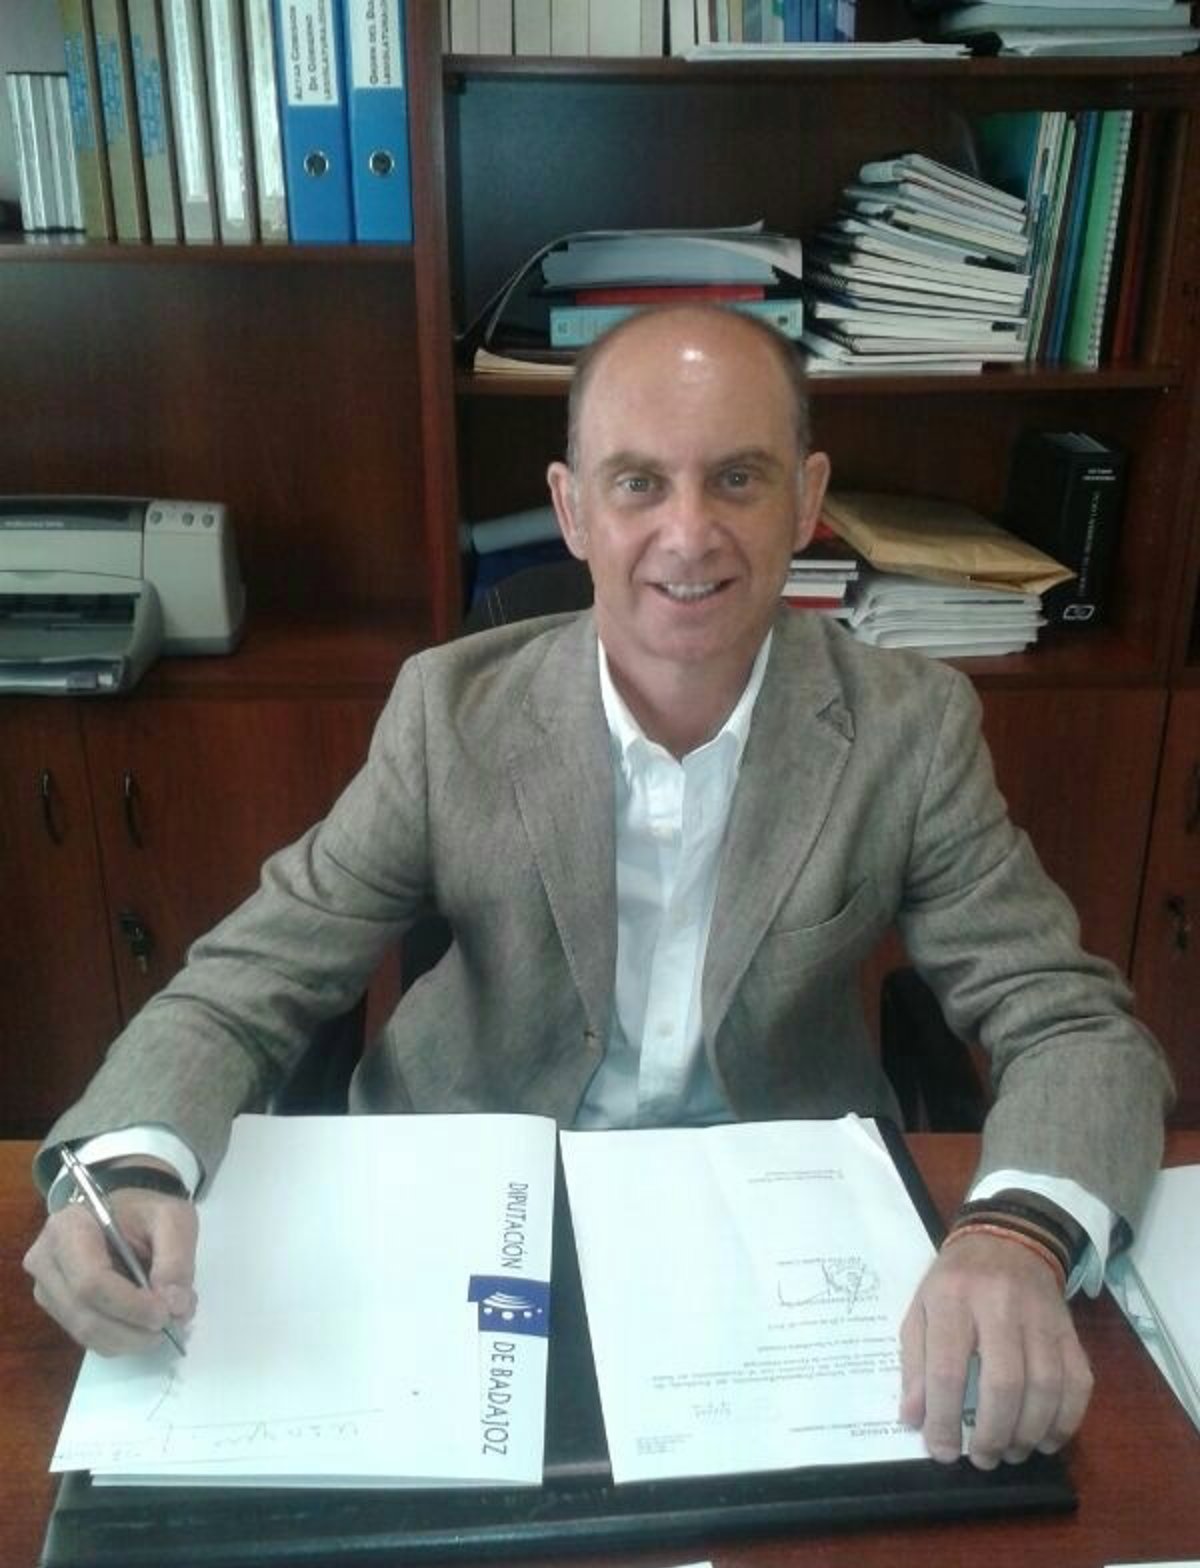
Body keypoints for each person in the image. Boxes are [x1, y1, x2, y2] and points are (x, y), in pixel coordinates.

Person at [25, 306, 1172, 1474]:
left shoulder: (907, 731)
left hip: (772, 1231)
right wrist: (126, 1168)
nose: (690, 533)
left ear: (806, 498)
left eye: (738, 477)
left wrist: (1018, 1232)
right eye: (638, 483)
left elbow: (1073, 1023)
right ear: (573, 510)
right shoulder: (447, 714)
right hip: (467, 1202)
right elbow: (247, 979)